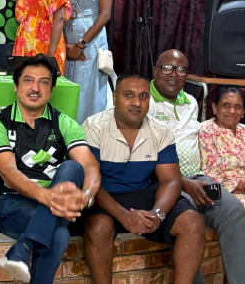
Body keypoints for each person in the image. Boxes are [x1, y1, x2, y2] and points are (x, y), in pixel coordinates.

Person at [0, 54, 100, 284]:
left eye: (44, 82)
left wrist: (85, 197)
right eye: (28, 80)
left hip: (54, 203)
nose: (35, 88)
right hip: (11, 202)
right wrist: (48, 197)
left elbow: (90, 165)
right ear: (16, 86)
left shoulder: (63, 122)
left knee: (73, 167)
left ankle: (24, 247)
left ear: (51, 90)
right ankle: (25, 246)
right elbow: (8, 171)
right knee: (58, 234)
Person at [81, 73, 206, 284]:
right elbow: (89, 182)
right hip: (105, 197)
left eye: (143, 96)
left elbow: (170, 181)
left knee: (192, 222)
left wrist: (157, 214)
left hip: (144, 194)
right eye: (128, 95)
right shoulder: (94, 127)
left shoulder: (161, 130)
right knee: (98, 227)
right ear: (115, 98)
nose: (137, 103)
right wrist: (124, 216)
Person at [148, 50, 245, 284]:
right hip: (165, 182)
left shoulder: (190, 103)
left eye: (181, 70)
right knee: (187, 219)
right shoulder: (145, 102)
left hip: (199, 180)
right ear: (155, 70)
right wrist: (182, 182)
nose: (174, 74)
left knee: (232, 208)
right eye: (167, 68)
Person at [62, 0, 116, 123]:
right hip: (65, 40)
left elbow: (105, 15)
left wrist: (80, 44)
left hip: (91, 41)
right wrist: (65, 45)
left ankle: (88, 136)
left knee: (88, 91)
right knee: (65, 87)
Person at [199, 86, 245, 229]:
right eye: (226, 105)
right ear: (215, 108)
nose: (232, 111)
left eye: (238, 106)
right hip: (226, 194)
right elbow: (210, 175)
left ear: (243, 111)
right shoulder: (206, 131)